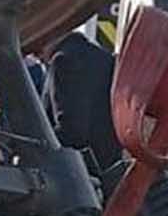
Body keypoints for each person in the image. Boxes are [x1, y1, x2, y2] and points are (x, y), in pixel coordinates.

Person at [45, 28, 121, 173]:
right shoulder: (104, 57)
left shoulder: (63, 60)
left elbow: (73, 130)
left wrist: (40, 143)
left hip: (80, 170)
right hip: (110, 163)